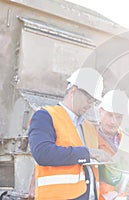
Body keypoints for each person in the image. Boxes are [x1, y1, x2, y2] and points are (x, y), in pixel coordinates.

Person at [29, 68, 110, 200]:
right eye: (89, 99)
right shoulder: (45, 116)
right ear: (74, 91)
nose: (91, 105)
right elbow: (42, 153)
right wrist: (88, 153)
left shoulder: (88, 127)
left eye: (94, 101)